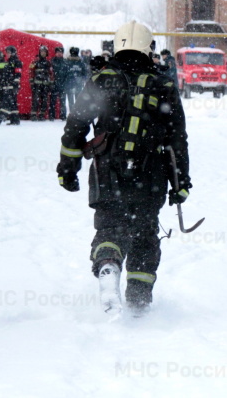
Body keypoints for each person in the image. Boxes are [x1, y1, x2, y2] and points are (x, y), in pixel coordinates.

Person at [56, 21, 190, 315]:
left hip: (107, 171)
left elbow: (75, 126)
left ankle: (107, 267)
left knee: (110, 227)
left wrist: (68, 168)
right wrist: (181, 184)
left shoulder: (101, 80)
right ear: (149, 47)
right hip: (151, 176)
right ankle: (139, 304)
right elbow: (177, 139)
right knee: (143, 236)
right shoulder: (163, 84)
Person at [29, 45, 54, 121]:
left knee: (45, 100)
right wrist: (32, 82)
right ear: (39, 52)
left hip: (46, 85)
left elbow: (51, 73)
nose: (43, 53)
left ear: (46, 53)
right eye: (42, 51)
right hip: (37, 85)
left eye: (44, 52)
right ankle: (33, 115)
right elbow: (31, 71)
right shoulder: (35, 62)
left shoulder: (49, 63)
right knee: (35, 100)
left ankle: (42, 115)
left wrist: (51, 83)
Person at [1, 46, 22, 125]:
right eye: (6, 53)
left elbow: (18, 73)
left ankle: (0, 117)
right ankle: (15, 120)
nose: (7, 54)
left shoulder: (16, 62)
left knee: (8, 101)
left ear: (13, 53)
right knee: (13, 103)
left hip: (12, 86)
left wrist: (15, 84)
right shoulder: (8, 62)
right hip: (8, 85)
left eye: (8, 53)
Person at [64, 47, 88, 112]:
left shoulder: (68, 62)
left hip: (76, 84)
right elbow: (85, 73)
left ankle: (75, 113)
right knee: (74, 100)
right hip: (72, 84)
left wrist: (83, 79)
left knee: (75, 100)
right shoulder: (80, 62)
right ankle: (75, 113)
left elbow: (85, 73)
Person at [49, 47, 68, 121]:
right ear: (55, 53)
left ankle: (63, 115)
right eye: (58, 52)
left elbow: (68, 74)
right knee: (52, 101)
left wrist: (65, 83)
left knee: (63, 102)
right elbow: (49, 73)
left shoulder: (65, 62)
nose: (59, 53)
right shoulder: (52, 61)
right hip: (54, 84)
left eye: (60, 52)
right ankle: (51, 116)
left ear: (62, 53)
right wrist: (51, 83)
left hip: (63, 85)